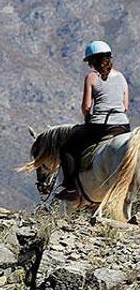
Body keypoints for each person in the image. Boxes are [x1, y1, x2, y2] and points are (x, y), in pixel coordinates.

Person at [56, 41, 131, 200]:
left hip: (100, 126)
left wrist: (88, 117)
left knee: (67, 148)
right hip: (123, 126)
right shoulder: (121, 77)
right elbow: (125, 106)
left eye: (90, 61)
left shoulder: (91, 77)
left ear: (93, 60)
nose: (89, 65)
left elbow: (86, 106)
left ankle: (70, 189)